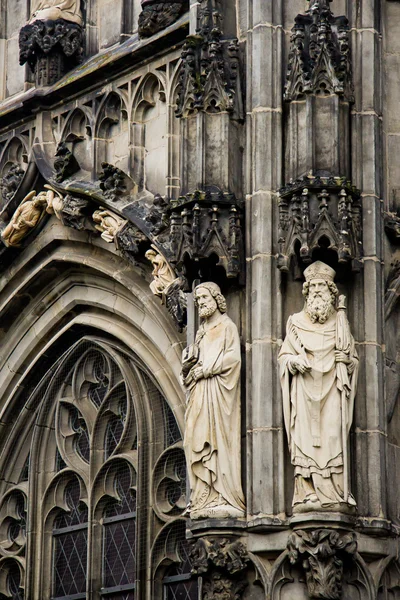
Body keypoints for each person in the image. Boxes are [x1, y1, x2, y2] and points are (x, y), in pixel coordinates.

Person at [279, 261, 358, 513]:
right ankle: (307, 491)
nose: (317, 295)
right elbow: (283, 357)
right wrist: (293, 362)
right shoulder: (295, 323)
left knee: (332, 435)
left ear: (331, 295)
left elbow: (353, 358)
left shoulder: (340, 324)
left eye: (322, 291)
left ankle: (334, 491)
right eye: (312, 290)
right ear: (306, 294)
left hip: (332, 391)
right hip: (303, 391)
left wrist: (346, 362)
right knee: (304, 439)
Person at [181, 282, 245, 519]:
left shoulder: (227, 327)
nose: (201, 304)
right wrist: (188, 367)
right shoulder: (200, 332)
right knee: (192, 441)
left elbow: (233, 359)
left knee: (217, 442)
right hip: (199, 394)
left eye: (205, 299)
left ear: (217, 299)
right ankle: (202, 495)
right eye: (197, 301)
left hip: (219, 394)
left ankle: (221, 495)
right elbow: (191, 370)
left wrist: (206, 370)